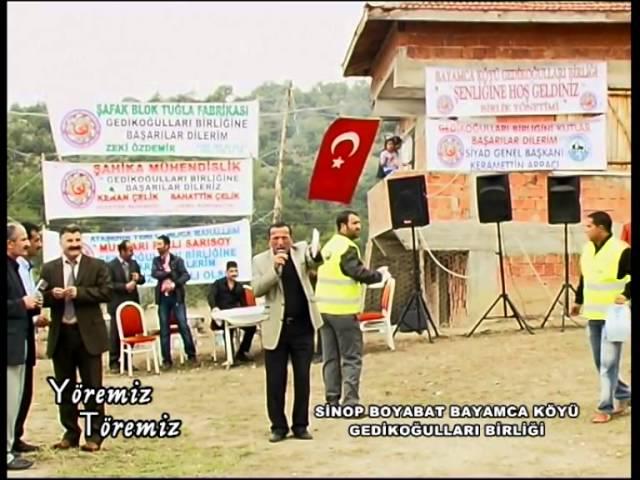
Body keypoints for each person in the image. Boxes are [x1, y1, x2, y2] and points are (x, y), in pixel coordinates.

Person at [39, 224, 112, 452]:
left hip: (88, 335)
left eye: (77, 240)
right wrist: (53, 295)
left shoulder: (97, 266)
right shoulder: (49, 269)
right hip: (62, 335)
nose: (74, 245)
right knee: (65, 388)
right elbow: (40, 296)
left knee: (92, 387)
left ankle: (94, 436)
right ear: (61, 243)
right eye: (70, 241)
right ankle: (70, 433)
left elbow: (107, 292)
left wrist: (79, 293)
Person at [251, 222, 323, 442]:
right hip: (276, 329)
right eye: (275, 238)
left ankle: (300, 425)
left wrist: (316, 249)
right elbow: (257, 289)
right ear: (269, 240)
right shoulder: (260, 261)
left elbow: (316, 260)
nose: (280, 242)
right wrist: (275, 269)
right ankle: (278, 426)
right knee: (275, 381)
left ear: (291, 239)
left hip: (303, 328)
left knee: (302, 379)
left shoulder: (301, 251)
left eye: (284, 237)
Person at [316, 210, 388, 409]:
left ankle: (332, 400)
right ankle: (350, 402)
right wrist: (379, 275)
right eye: (354, 223)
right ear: (342, 226)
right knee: (351, 358)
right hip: (343, 311)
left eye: (359, 223)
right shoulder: (348, 247)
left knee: (330, 358)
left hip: (324, 311)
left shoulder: (328, 246)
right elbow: (356, 272)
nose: (358, 227)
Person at [570, 211, 631, 424]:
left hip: (614, 315)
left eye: (588, 226)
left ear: (601, 228)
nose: (585, 230)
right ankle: (624, 393)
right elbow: (584, 278)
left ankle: (605, 407)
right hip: (594, 315)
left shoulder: (622, 250)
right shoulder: (587, 250)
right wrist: (578, 301)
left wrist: (626, 295)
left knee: (608, 363)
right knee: (601, 362)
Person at [7, 223, 42, 470]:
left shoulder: (14, 267)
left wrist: (34, 305)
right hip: (9, 344)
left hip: (20, 342)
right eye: (22, 240)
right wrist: (22, 303)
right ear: (9, 243)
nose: (27, 244)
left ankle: (10, 446)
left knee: (16, 398)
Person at [13, 222, 49, 455]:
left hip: (26, 332)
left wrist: (35, 313)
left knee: (24, 391)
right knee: (14, 392)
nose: (34, 244)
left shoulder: (26, 268)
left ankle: (16, 437)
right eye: (30, 239)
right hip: (14, 336)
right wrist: (25, 306)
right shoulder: (13, 267)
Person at [151, 235, 197, 369]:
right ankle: (166, 360)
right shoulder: (156, 261)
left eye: (160, 244)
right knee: (164, 329)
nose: (158, 247)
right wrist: (168, 273)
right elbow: (154, 273)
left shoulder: (177, 260)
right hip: (163, 299)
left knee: (183, 325)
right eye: (157, 244)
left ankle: (191, 355)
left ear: (167, 246)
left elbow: (186, 275)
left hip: (176, 297)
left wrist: (174, 284)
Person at [106, 240, 146, 372]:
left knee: (131, 333)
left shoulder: (134, 264)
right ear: (122, 251)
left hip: (131, 303)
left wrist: (139, 278)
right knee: (116, 334)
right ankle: (114, 362)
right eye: (129, 250)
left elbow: (142, 280)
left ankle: (127, 361)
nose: (132, 252)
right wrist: (124, 287)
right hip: (117, 304)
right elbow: (108, 285)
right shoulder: (111, 265)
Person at [208, 261, 255, 363]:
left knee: (252, 328)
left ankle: (241, 353)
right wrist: (214, 307)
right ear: (226, 272)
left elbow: (244, 304)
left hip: (236, 317)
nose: (234, 273)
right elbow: (211, 296)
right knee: (228, 329)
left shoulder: (239, 287)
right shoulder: (218, 284)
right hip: (222, 317)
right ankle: (230, 357)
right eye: (231, 271)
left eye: (236, 271)